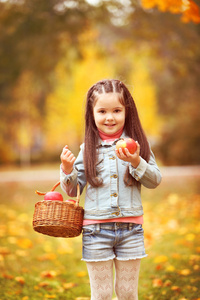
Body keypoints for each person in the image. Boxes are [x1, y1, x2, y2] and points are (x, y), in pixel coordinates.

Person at [60, 79, 162, 300]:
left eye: (117, 110)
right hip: (96, 231)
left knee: (127, 293)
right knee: (102, 294)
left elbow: (154, 180)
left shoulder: (138, 145)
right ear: (92, 113)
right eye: (102, 111)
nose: (109, 117)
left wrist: (137, 162)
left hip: (131, 230)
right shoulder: (87, 149)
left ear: (127, 111)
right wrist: (68, 169)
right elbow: (72, 190)